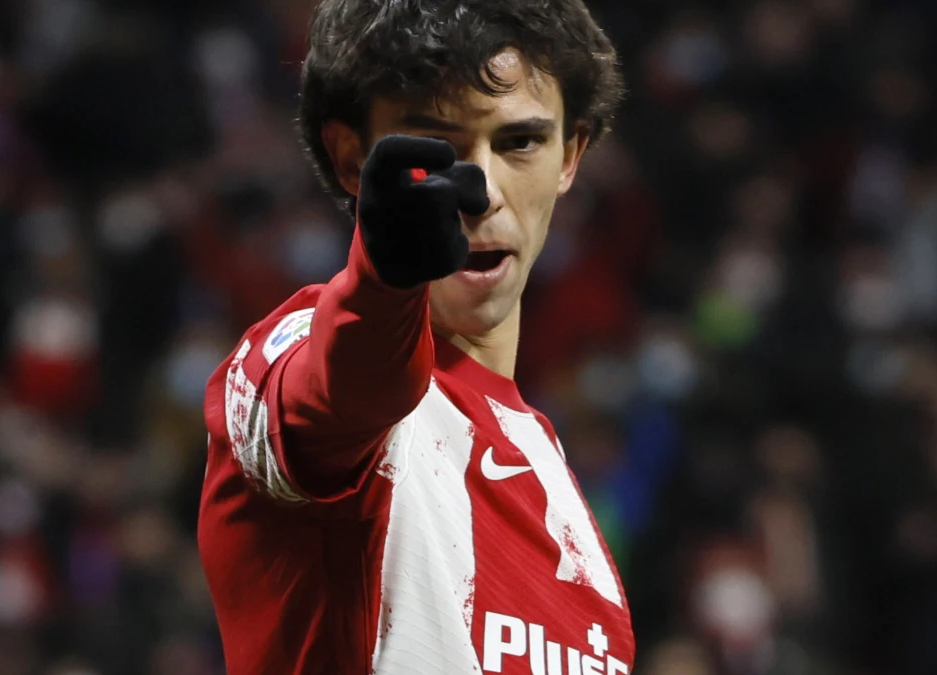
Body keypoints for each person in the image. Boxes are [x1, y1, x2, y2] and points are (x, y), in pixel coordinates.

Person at [197, 0, 632, 672]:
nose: (481, 190)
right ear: (351, 159)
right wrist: (386, 280)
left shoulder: (561, 498)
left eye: (520, 142)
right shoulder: (293, 347)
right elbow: (343, 395)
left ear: (571, 157)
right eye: (438, 148)